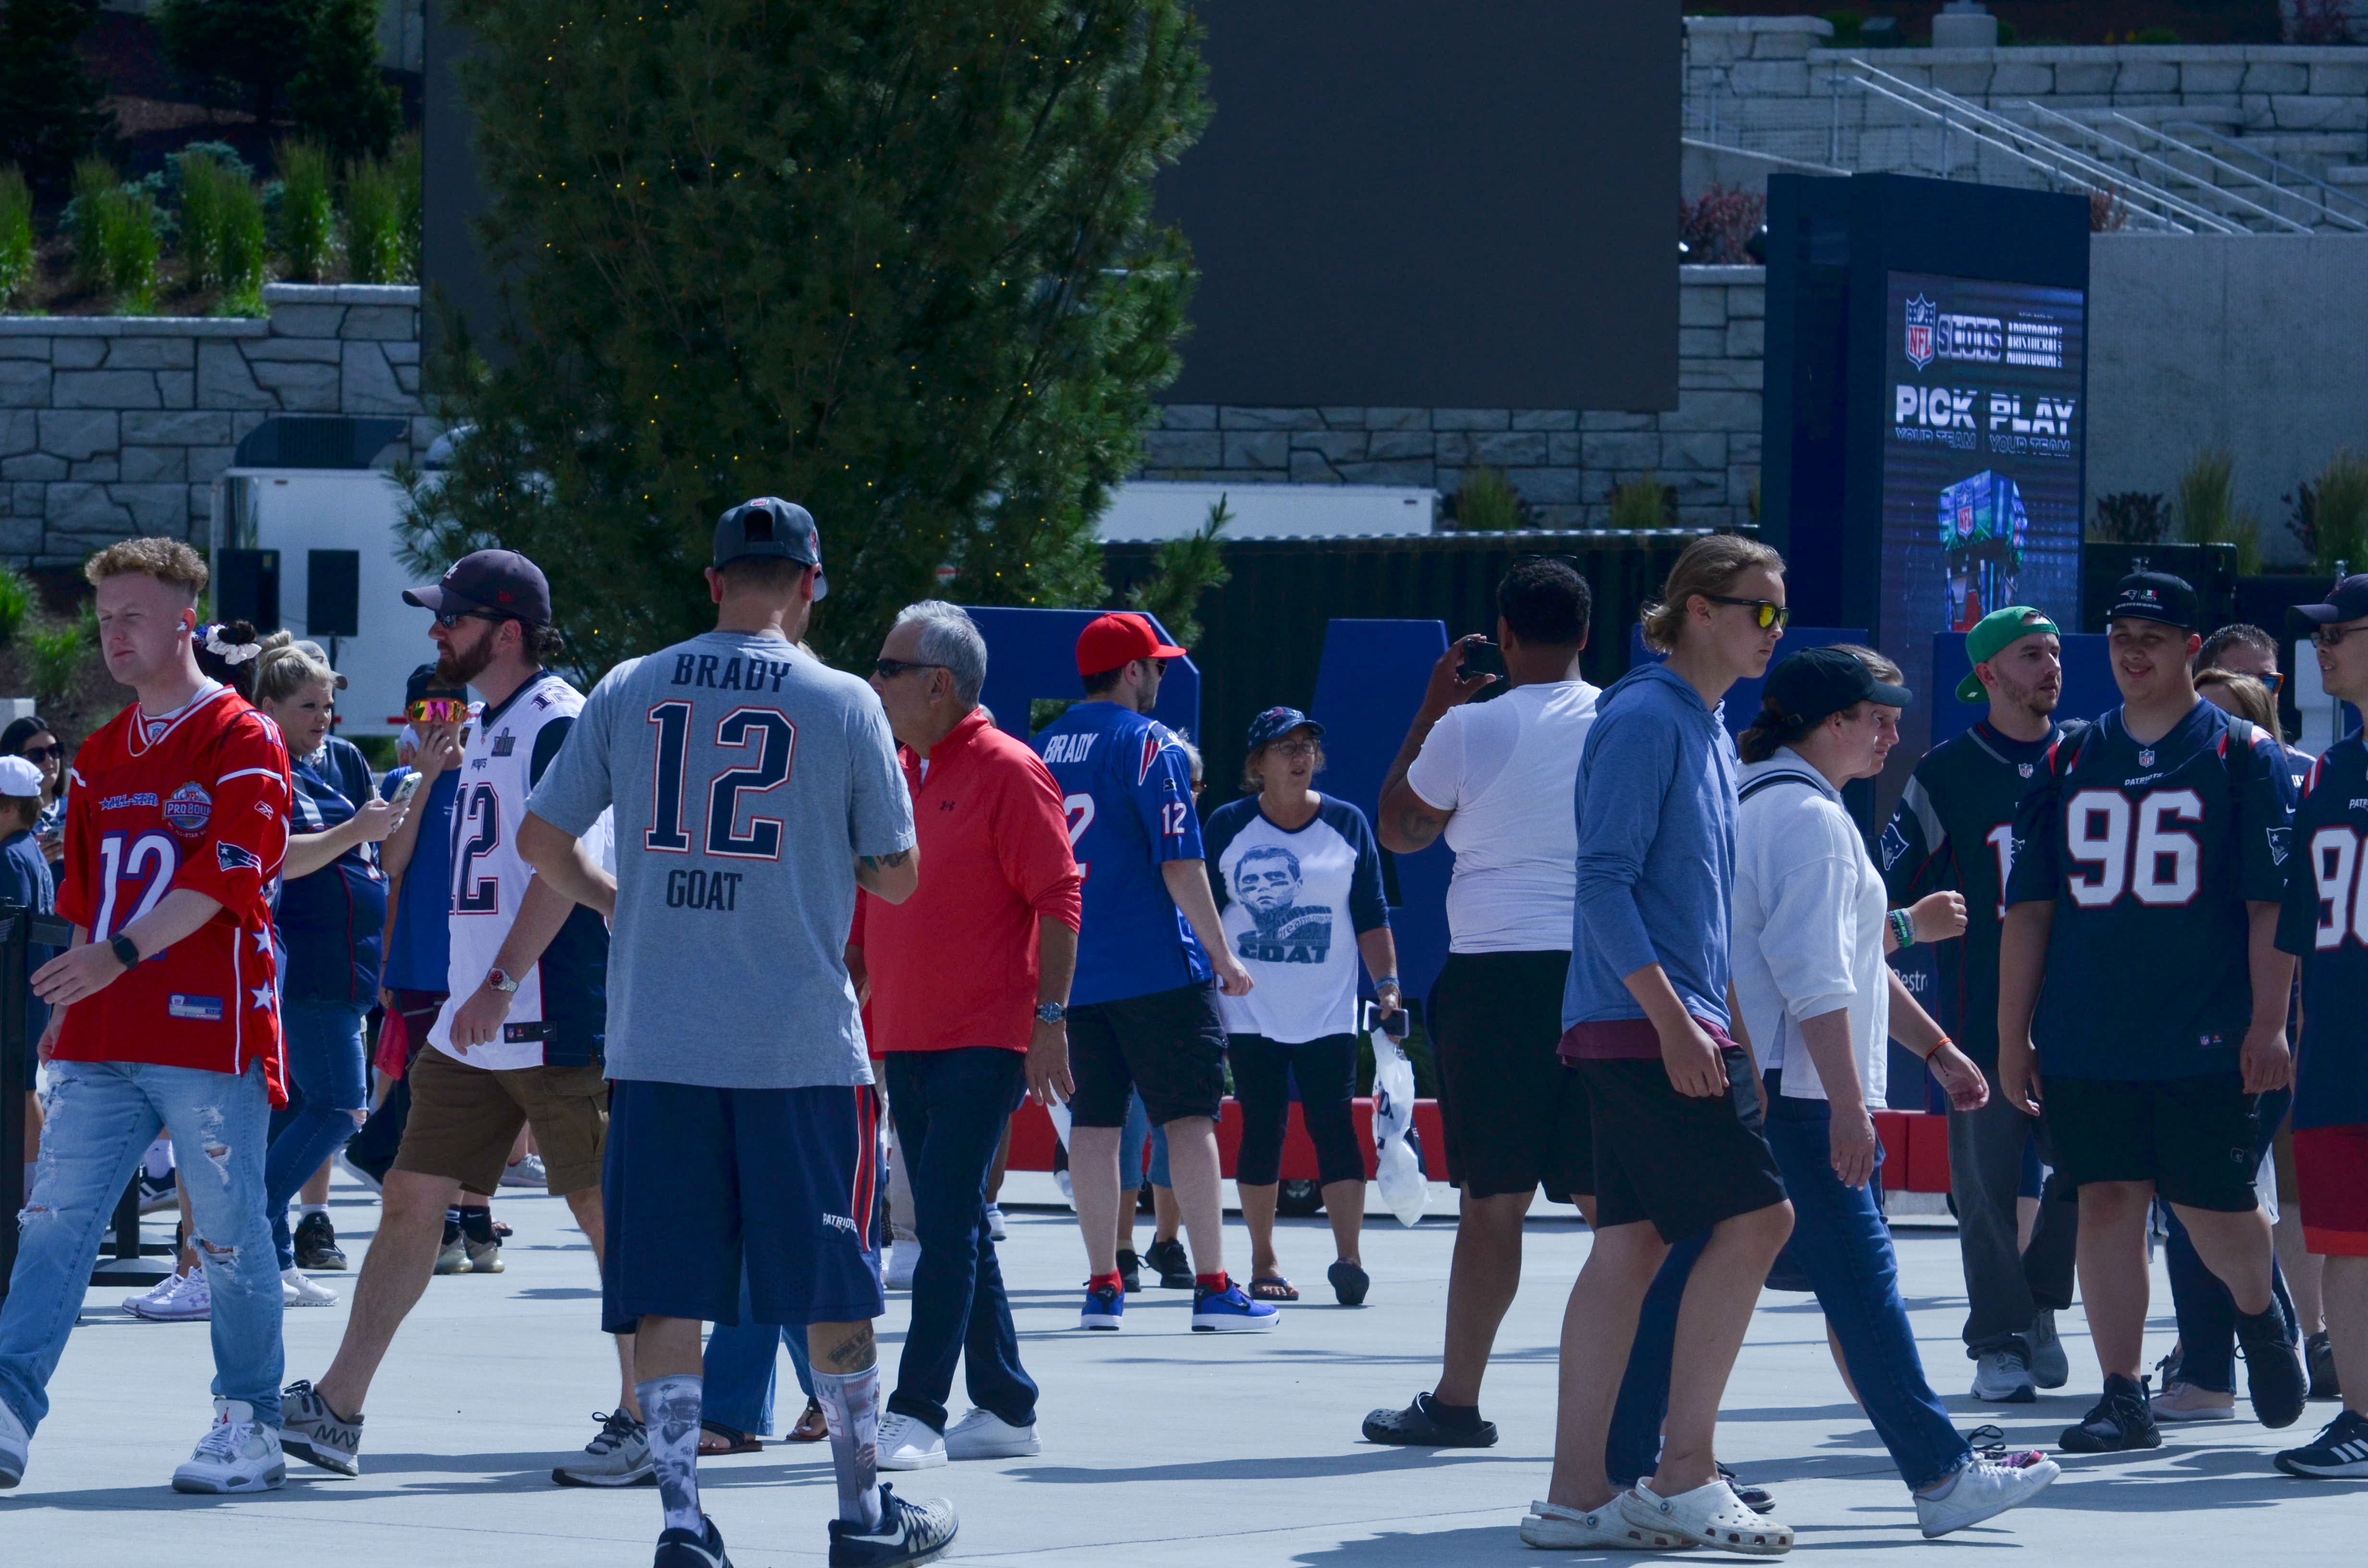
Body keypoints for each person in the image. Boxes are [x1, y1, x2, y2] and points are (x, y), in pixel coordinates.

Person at [517, 497, 954, 1568]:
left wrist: (619, 899)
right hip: (798, 1049)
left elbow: (541, 840)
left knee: (666, 1290)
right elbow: (897, 875)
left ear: (713, 582)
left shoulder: (631, 685)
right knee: (834, 1286)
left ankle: (682, 1520)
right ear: (809, 584)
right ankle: (861, 1513)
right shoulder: (845, 700)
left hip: (657, 1043)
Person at [278, 549, 635, 1484]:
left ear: (507, 632)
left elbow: (568, 870)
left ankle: (649, 1413)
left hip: (552, 1011)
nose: (437, 631)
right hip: (470, 1021)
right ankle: (336, 1409)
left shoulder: (560, 722)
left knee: (604, 1211)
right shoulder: (482, 725)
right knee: (409, 1196)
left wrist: (502, 981)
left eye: (454, 617)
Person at [1727, 645, 2058, 1536]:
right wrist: (1848, 1106)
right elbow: (1814, 979)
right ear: (1826, 722)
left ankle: (1637, 1462)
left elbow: (1844, 963)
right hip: (1800, 1092)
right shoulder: (1808, 818)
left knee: (1719, 1280)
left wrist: (1937, 1048)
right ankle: (1942, 1472)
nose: (1890, 734)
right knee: (1862, 1286)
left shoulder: (1766, 798)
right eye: (1876, 718)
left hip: (1777, 1084)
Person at [0, 537, 293, 1494]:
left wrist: (114, 956)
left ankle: (249, 1418)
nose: (113, 634)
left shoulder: (243, 735)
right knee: (53, 1221)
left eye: (132, 616)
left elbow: (227, 878)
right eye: (103, 618)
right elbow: (86, 891)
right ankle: (8, 1407)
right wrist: (73, 999)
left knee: (228, 1236)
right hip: (102, 1031)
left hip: (206, 1029)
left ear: (185, 624)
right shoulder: (96, 754)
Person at [1999, 570, 2309, 1453]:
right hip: (2089, 1029)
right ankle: (2122, 1392)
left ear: (2189, 647)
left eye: (2153, 637)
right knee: (2106, 1200)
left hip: (2203, 1026)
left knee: (2211, 1203)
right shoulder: (2069, 757)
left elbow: (2270, 904)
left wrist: (2268, 1021)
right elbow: (2030, 909)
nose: (2132, 653)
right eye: (2120, 636)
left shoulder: (2241, 753)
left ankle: (2260, 1311)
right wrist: (2011, 1035)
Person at [1527, 534, 1795, 1554]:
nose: (1773, 629)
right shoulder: (1645, 717)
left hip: (1658, 1024)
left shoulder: (1705, 726)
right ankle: (1683, 1473)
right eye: (1758, 610)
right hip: (1643, 1027)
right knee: (1760, 1221)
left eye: (1779, 612)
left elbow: (1702, 913)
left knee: (1631, 1242)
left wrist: (1719, 1025)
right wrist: (1676, 1022)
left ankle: (1574, 1497)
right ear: (1696, 610)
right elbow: (1601, 882)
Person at [1363, 556, 1600, 1447]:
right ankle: (1653, 1415)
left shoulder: (1468, 726)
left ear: (1503, 635)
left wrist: (1431, 710)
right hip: (1605, 978)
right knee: (1614, 1209)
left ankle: (1456, 1402)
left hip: (1495, 981)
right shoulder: (1623, 718)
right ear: (1585, 634)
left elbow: (1399, 829)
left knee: (1492, 1201)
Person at [862, 600, 1077, 1472]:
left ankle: (916, 1410)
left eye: (889, 667)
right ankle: (1007, 1405)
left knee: (943, 1226)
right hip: (906, 1033)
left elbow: (1058, 896)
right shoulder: (899, 771)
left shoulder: (1009, 768)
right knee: (959, 1224)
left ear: (938, 685)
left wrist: (1050, 1021)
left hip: (984, 1037)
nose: (874, 681)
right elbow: (873, 897)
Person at [1035, 612, 1273, 1334]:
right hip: (1157, 969)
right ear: (1132, 671)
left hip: (1074, 970)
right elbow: (1179, 860)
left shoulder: (1042, 747)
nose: (1162, 678)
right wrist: (1223, 956)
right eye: (1157, 665)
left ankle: (1103, 1286)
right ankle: (1214, 1288)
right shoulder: (1151, 744)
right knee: (1190, 1121)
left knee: (1093, 1126)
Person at [1878, 606, 2081, 1402]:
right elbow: (1881, 888)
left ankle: (2041, 1304)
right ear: (1988, 674)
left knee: (2089, 1172)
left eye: (2055, 652)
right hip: (1978, 1020)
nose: (2051, 666)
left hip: (2083, 1018)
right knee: (1985, 1192)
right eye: (2032, 654)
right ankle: (1997, 1340)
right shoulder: (1945, 772)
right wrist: (1915, 921)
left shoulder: (2087, 758)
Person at [1206, 706, 1398, 1306]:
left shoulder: (1346, 823)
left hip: (1328, 1011)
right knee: (1262, 1127)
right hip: (1248, 1011)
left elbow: (1370, 914)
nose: (1299, 756)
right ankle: (1263, 1260)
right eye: (1284, 747)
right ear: (1257, 764)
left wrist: (1388, 985)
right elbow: (1199, 911)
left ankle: (1349, 1258)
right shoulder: (1227, 825)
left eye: (1306, 746)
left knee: (1333, 1126)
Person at [252, 640, 400, 1307]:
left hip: (347, 969)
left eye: (329, 705)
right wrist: (356, 831)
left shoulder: (335, 761)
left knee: (294, 1111)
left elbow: (376, 857)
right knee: (342, 1106)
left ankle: (272, 1258)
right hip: (307, 967)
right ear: (269, 707)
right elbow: (276, 859)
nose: (324, 718)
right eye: (308, 706)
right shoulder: (265, 765)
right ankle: (248, 1223)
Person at [2272, 573, 2368, 1475]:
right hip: (2339, 1047)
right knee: (2345, 1240)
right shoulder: (2330, 770)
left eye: (2339, 631)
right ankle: (2361, 1420)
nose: (2321, 646)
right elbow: (2300, 930)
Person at [0, 755, 55, 1223]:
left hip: (14, 998)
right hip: (30, 995)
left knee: (18, 1092)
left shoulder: (9, 857)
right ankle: (31, 1193)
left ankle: (29, 1197)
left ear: (7, 808)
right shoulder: (27, 850)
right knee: (22, 1090)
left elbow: (9, 932)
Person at [0, 714, 66, 867]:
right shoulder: (8, 816)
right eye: (37, 754)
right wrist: (28, 859)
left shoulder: (79, 809)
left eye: (54, 750)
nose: (49, 760)